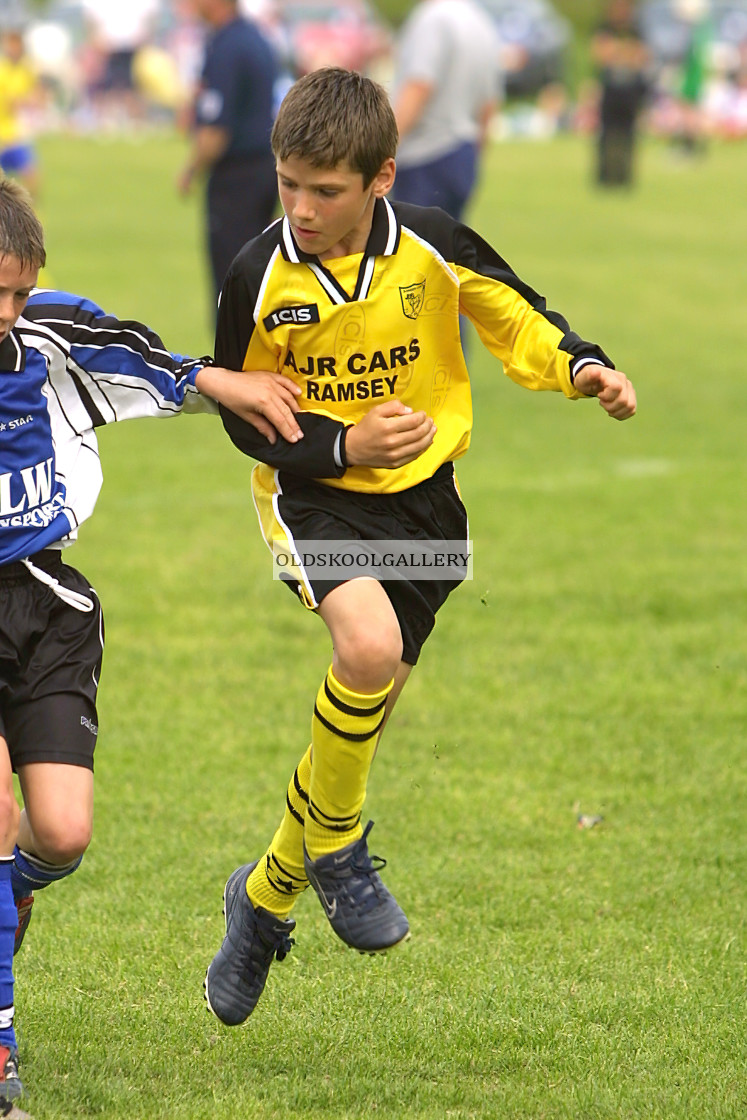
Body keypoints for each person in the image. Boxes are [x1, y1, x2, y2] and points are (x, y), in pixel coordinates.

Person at [202, 67, 637, 1028]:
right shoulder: (257, 276)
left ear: (382, 178)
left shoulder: (433, 246)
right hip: (311, 497)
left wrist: (584, 367)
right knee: (364, 652)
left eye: (326, 190)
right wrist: (339, 445)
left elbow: (515, 316)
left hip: (427, 511)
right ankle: (340, 849)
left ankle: (266, 894)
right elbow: (242, 412)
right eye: (288, 185)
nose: (302, 209)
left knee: (369, 703)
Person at [0, 173, 303, 1106]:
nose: (5, 312)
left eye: (16, 291)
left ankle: (9, 905)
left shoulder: (44, 334)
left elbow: (145, 359)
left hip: (46, 608)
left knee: (59, 833)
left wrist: (234, 384)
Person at [177, 0, 279, 310]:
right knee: (260, 272)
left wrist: (190, 170)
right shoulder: (256, 37)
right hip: (266, 168)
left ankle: (233, 357)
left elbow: (217, 131)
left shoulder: (227, 46)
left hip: (236, 179)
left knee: (232, 280)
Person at [389, 0, 502, 221]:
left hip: (425, 155)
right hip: (464, 153)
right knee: (448, 250)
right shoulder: (482, 22)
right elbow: (489, 102)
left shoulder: (432, 20)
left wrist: (383, 148)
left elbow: (419, 85)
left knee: (414, 248)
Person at [590, 0, 651, 187]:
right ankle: (605, 176)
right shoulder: (604, 28)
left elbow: (641, 57)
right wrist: (624, 53)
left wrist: (619, 52)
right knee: (606, 134)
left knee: (628, 135)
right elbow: (600, 55)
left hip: (630, 91)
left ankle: (624, 176)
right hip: (610, 90)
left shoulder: (636, 30)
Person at [0, 28, 43, 202]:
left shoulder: (27, 69)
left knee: (32, 177)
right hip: (3, 135)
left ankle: (32, 216)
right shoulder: (2, 70)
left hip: (18, 134)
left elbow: (38, 94)